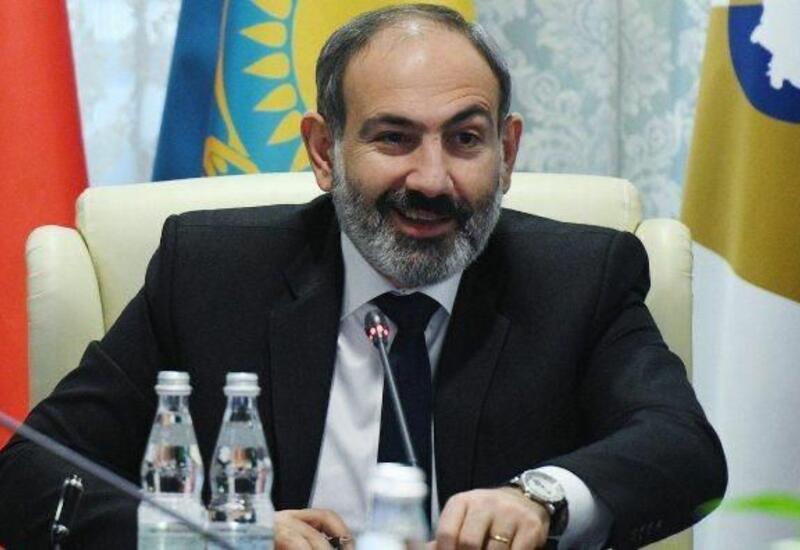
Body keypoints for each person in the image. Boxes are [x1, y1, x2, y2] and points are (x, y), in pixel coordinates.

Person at [0, 4, 726, 549]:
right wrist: (221, 533)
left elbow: (682, 448)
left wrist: (540, 500)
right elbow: (30, 477)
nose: (433, 179)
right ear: (325, 151)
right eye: (394, 138)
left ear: (507, 152)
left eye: (466, 139)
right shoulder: (210, 274)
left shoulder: (578, 278)